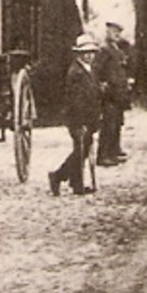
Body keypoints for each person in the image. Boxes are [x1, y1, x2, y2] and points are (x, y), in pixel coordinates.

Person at [49, 34, 101, 196]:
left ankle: (73, 181)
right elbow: (76, 101)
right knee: (79, 150)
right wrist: (81, 122)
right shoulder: (76, 72)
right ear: (79, 54)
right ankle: (59, 176)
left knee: (82, 150)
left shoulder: (89, 70)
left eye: (92, 52)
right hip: (78, 118)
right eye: (86, 52)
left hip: (89, 117)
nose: (89, 56)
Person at [93, 22, 132, 167]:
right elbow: (96, 69)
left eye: (118, 32)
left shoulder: (117, 49)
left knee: (117, 122)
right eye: (114, 32)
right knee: (108, 123)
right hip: (110, 93)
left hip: (119, 92)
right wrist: (101, 84)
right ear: (107, 32)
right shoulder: (104, 50)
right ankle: (103, 155)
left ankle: (114, 150)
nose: (117, 35)